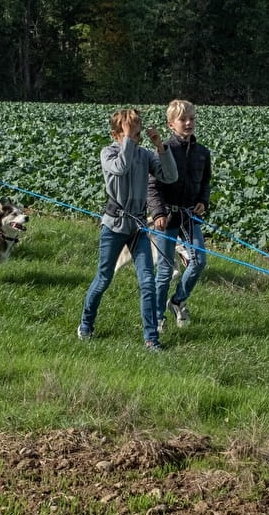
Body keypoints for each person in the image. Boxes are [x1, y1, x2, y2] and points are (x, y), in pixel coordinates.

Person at [78, 108, 178, 351]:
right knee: (104, 278)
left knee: (147, 281)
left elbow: (170, 176)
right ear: (116, 134)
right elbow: (121, 167)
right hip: (114, 226)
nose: (135, 137)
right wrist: (126, 140)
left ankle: (151, 339)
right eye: (128, 132)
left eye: (137, 132)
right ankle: (86, 324)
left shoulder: (144, 155)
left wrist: (161, 148)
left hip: (138, 227)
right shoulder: (108, 153)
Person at [147, 99, 211, 330]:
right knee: (164, 271)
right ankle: (157, 317)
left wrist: (203, 201)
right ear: (171, 124)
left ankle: (177, 300)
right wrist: (158, 213)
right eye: (183, 119)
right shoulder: (163, 150)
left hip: (190, 217)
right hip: (166, 219)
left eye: (191, 119)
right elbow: (152, 187)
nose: (188, 123)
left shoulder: (202, 153)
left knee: (198, 261)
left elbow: (205, 182)